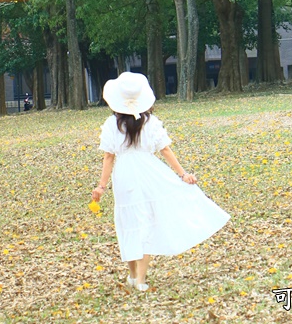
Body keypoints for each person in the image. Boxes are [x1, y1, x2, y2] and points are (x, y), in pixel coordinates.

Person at [92, 72, 230, 293]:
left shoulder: (112, 124)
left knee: (129, 223)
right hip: (149, 171)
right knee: (146, 222)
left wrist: (101, 186)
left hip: (125, 174)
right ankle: (140, 279)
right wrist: (182, 174)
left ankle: (133, 274)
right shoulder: (151, 122)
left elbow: (109, 156)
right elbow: (165, 149)